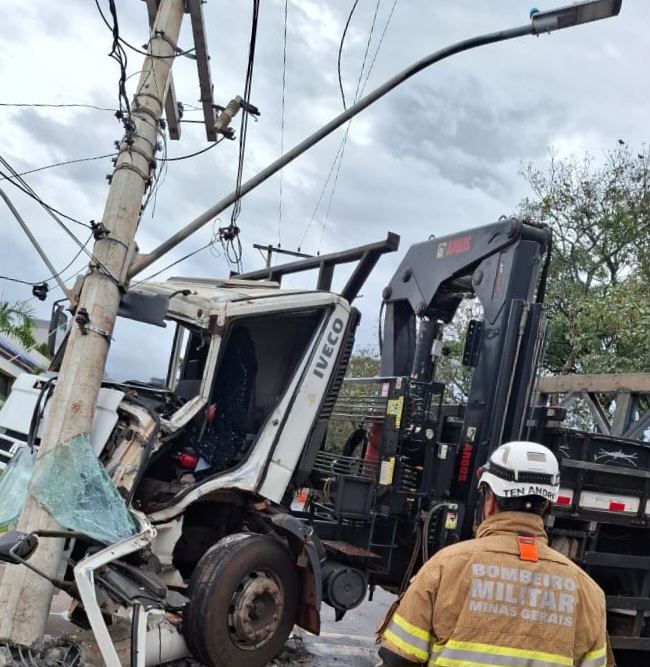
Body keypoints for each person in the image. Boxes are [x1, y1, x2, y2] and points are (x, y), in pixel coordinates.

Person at [376, 441, 613, 667]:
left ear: (489, 501)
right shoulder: (588, 593)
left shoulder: (444, 568)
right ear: (547, 505)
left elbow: (397, 659)